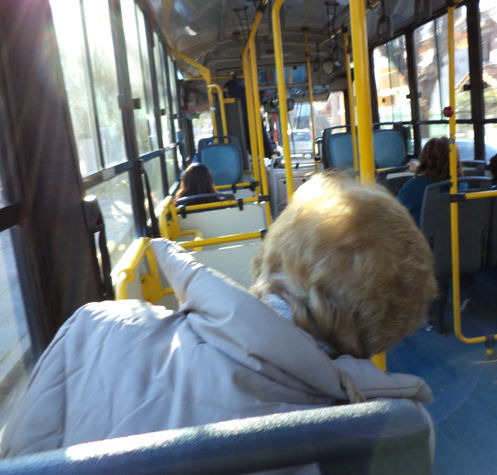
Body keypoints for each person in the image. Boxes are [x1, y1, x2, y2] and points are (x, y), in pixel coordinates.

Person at [1, 172, 438, 464]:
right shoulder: (390, 434)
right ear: (385, 331)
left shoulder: (94, 327)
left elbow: (20, 458)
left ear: (273, 251)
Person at [397, 136, 463, 225]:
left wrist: (419, 171)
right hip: (458, 236)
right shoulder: (462, 185)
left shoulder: (412, 188)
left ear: (424, 159)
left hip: (421, 237)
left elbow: (395, 217)